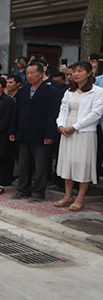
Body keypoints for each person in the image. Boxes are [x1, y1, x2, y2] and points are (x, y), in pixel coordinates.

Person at [10, 62, 61, 203]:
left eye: (32, 73)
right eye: (27, 73)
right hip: (24, 133)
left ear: (41, 73)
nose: (29, 76)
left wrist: (50, 134)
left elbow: (53, 114)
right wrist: (13, 130)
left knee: (41, 166)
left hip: (41, 134)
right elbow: (17, 112)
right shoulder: (23, 90)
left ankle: (38, 192)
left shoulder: (52, 91)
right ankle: (23, 190)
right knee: (24, 164)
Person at [55, 62, 103, 211]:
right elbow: (63, 109)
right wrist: (60, 125)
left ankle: (80, 198)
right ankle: (68, 195)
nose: (75, 74)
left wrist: (75, 127)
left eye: (79, 71)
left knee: (82, 163)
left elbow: (95, 114)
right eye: (73, 71)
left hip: (84, 132)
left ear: (89, 73)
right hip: (67, 130)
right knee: (67, 162)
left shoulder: (97, 92)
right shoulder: (69, 91)